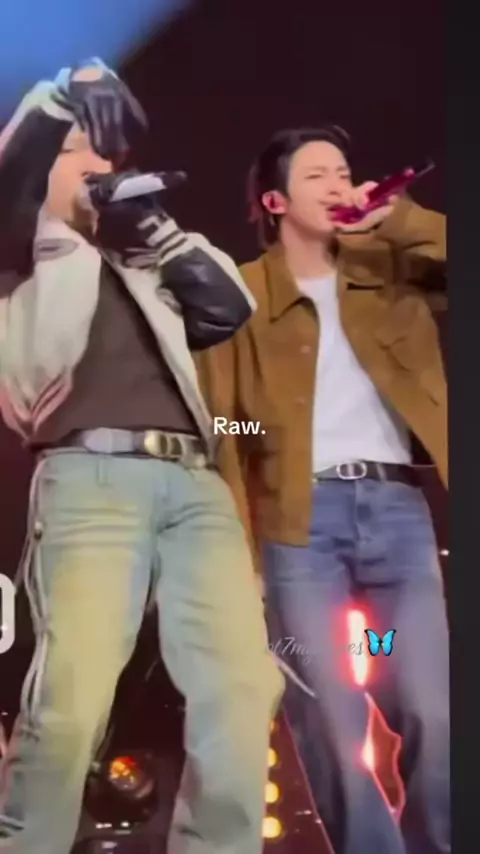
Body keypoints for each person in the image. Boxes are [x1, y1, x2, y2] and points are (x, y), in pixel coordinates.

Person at [0, 60, 283, 854]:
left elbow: (229, 308)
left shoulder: (146, 257)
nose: (96, 165)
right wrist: (61, 96)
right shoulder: (23, 247)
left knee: (243, 684)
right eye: (75, 152)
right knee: (73, 696)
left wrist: (155, 233)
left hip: (196, 484)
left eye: (105, 154)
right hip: (90, 477)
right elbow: (14, 166)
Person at [195, 126, 449, 854]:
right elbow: (222, 424)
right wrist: (241, 549)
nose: (338, 184)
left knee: (428, 704)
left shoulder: (389, 270)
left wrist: (397, 218)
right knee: (332, 715)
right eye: (316, 175)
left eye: (343, 171)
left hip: (397, 520)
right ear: (275, 201)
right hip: (299, 531)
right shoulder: (243, 293)